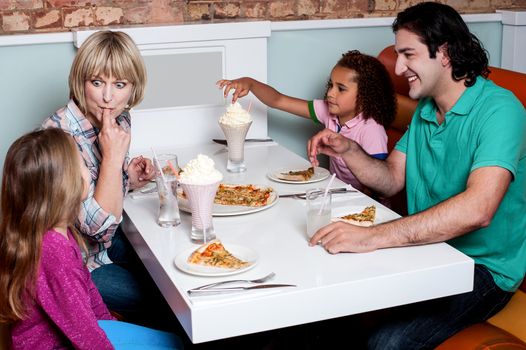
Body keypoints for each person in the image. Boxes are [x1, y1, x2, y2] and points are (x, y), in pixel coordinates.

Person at [307, 2, 526, 348]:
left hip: (483, 269)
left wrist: (372, 237)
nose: (399, 66)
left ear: (446, 52)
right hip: (428, 250)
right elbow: (391, 177)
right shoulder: (427, 109)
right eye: (397, 54)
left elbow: (478, 209)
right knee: (328, 309)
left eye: (408, 54)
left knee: (387, 342)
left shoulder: (501, 110)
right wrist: (349, 149)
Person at [0, 128, 183, 349]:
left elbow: (89, 295)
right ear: (68, 184)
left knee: (171, 341)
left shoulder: (59, 233)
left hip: (79, 334)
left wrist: (111, 325)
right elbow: (85, 335)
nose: (89, 170)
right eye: (84, 165)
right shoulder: (54, 252)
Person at [41, 30, 171, 328]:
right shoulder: (58, 137)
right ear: (81, 81)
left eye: (120, 85)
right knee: (167, 299)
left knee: (170, 254)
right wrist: (113, 158)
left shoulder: (117, 118)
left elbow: (104, 195)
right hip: (79, 263)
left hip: (107, 243)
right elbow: (97, 229)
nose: (108, 97)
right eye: (97, 83)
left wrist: (129, 177)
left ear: (133, 87)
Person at [217, 50, 396, 192]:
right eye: (331, 85)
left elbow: (378, 187)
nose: (330, 93)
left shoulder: (372, 130)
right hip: (334, 192)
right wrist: (251, 83)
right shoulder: (329, 112)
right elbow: (278, 100)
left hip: (362, 206)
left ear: (365, 96)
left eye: (341, 89)